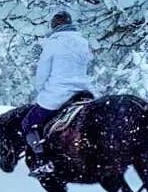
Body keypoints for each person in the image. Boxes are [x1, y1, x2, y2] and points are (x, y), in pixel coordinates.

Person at [21, 11, 94, 177]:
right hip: (83, 93)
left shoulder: (52, 43)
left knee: (27, 123)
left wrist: (42, 90)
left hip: (58, 95)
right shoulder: (83, 42)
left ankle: (42, 160)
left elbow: (42, 73)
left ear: (55, 25)